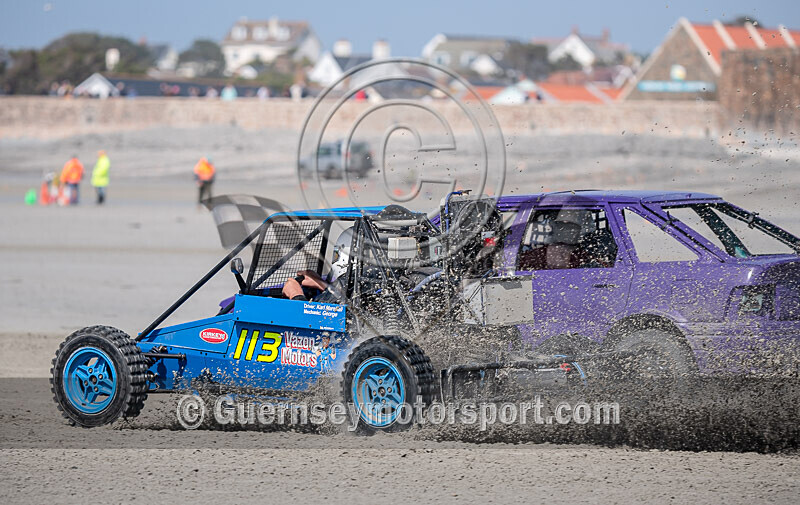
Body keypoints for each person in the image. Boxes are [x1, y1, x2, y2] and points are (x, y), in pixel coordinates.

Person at [282, 227, 353, 303]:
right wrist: (323, 285)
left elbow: (319, 313)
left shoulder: (354, 285)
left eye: (336, 255)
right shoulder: (359, 284)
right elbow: (344, 297)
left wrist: (295, 294)